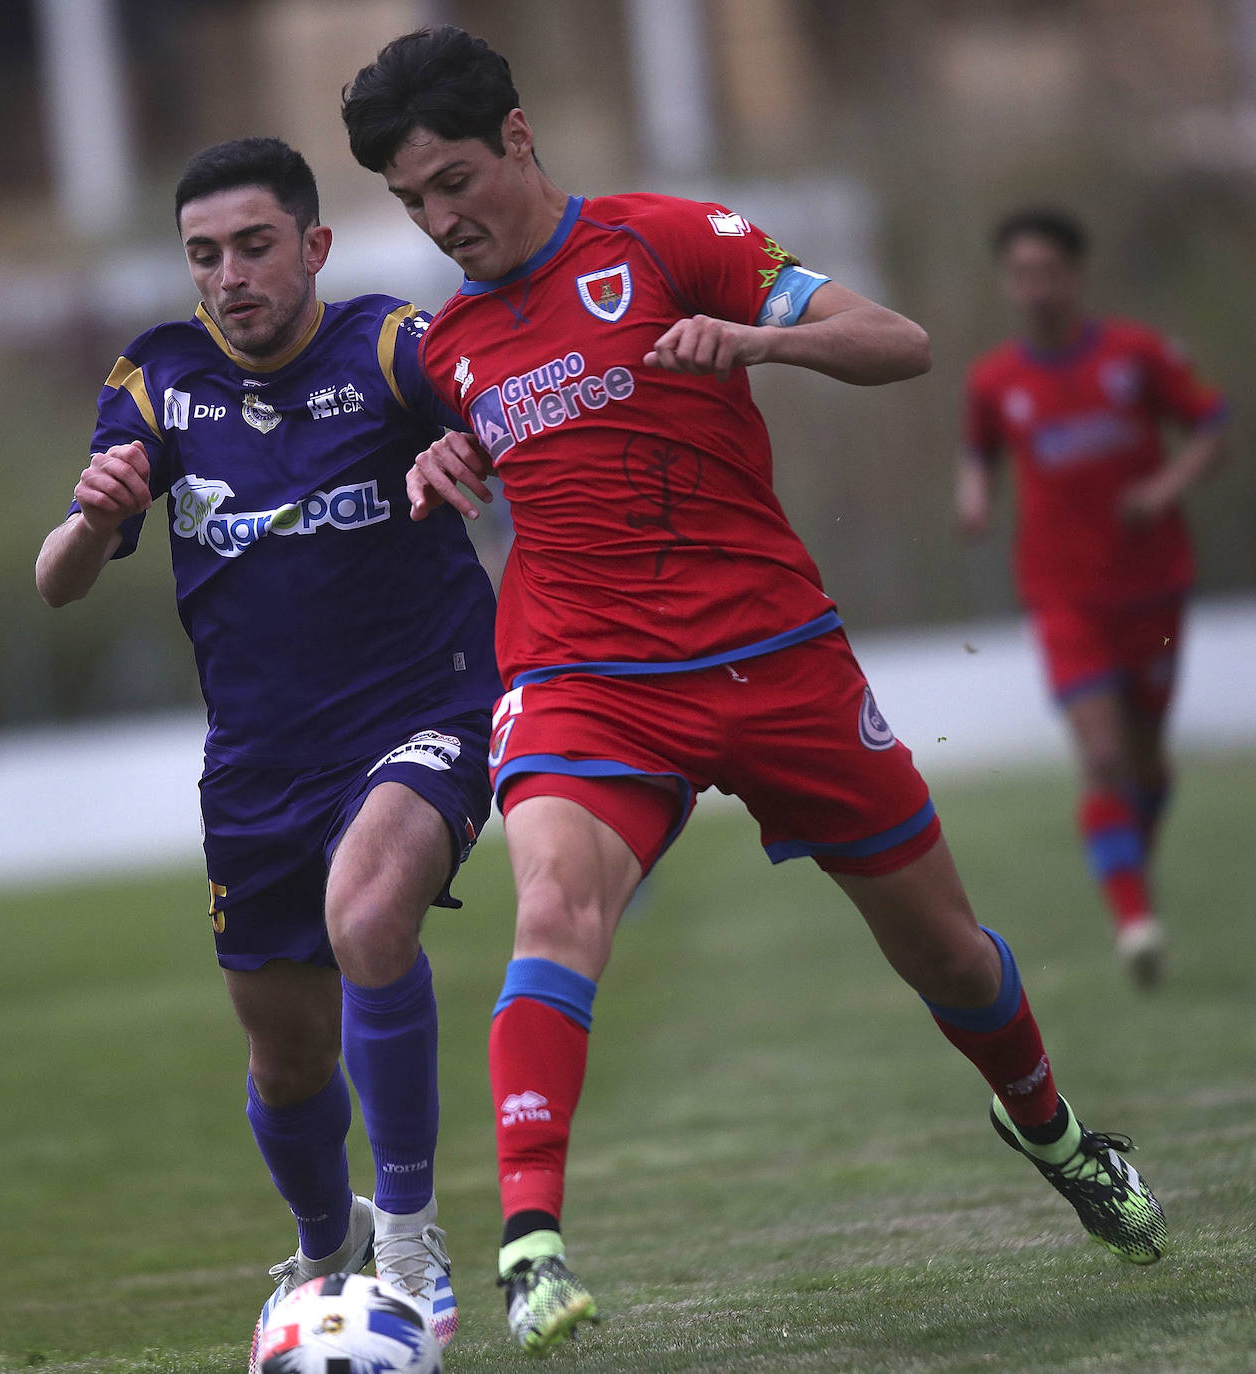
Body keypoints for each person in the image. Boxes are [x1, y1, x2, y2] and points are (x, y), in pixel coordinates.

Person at [339, 28, 1172, 1355]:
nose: (440, 220)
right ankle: (530, 1245)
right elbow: (491, 437)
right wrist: (450, 459)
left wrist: (753, 341)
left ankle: (1059, 1137)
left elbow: (892, 341)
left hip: (774, 656)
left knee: (945, 952)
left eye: (451, 181)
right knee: (552, 900)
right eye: (408, 203)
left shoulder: (673, 240)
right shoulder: (449, 342)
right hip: (584, 672)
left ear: (515, 136)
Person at [34, 137, 499, 1366]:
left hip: (424, 711)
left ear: (313, 247)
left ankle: (405, 1240)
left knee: (366, 917)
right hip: (257, 763)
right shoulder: (157, 383)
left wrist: (474, 451)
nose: (229, 274)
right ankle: (323, 1243)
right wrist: (97, 513)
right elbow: (57, 582)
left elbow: (509, 427)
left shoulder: (392, 346)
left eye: (252, 246)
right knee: (284, 1053)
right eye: (204, 255)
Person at [957, 209, 1227, 985]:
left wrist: (1163, 487)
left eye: (1047, 271)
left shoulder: (1137, 355)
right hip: (1062, 597)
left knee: (1146, 764)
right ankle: (1135, 921)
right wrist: (974, 498)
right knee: (1103, 755)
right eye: (1020, 274)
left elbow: (1212, 426)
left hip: (1154, 590)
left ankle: (1128, 861)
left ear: (1075, 275)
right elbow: (978, 454)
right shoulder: (994, 380)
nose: (1034, 287)